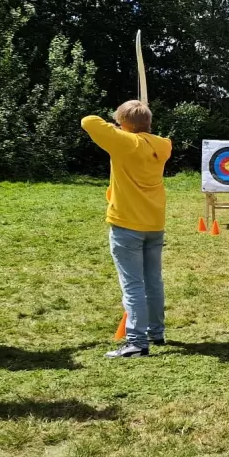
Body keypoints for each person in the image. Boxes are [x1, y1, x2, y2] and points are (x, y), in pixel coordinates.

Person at [82, 99, 172, 358]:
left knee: (132, 284)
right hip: (154, 223)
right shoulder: (163, 144)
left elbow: (88, 121)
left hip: (127, 223)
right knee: (153, 280)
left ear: (124, 124)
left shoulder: (124, 142)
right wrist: (125, 126)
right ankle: (156, 332)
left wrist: (117, 128)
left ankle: (137, 342)